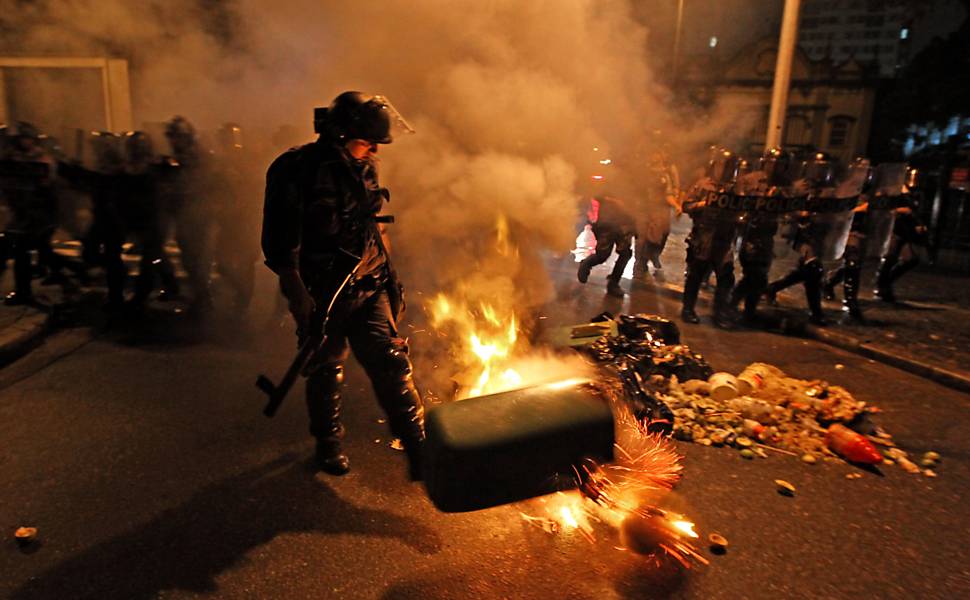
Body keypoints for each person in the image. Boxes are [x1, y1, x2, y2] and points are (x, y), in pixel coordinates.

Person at [261, 91, 424, 478]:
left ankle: (420, 450)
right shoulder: (294, 169)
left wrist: (391, 279)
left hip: (370, 282)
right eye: (366, 142)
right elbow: (281, 246)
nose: (371, 151)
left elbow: (371, 224)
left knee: (392, 363)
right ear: (339, 134)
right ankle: (328, 441)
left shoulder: (365, 164)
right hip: (323, 287)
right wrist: (298, 296)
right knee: (326, 366)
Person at [764, 153, 839, 326]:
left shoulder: (830, 189)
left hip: (820, 233)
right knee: (814, 269)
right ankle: (816, 313)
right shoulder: (799, 187)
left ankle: (773, 288)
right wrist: (800, 214)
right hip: (802, 233)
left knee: (807, 272)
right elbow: (785, 208)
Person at [728, 148, 792, 324]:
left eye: (780, 164)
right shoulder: (751, 180)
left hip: (768, 234)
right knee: (753, 274)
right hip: (751, 232)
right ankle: (732, 304)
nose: (775, 168)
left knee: (761, 276)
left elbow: (789, 209)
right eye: (772, 163)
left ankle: (749, 311)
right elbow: (739, 202)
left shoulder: (785, 184)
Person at [680, 149, 741, 327]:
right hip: (704, 236)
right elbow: (686, 205)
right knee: (696, 275)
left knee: (726, 276)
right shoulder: (702, 185)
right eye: (723, 165)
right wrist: (702, 204)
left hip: (724, 237)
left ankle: (719, 312)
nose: (726, 169)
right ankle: (688, 309)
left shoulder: (736, 188)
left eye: (730, 166)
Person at [874, 166, 927, 303]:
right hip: (894, 228)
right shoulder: (895, 191)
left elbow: (916, 211)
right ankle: (882, 286)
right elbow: (883, 208)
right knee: (890, 258)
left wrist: (919, 223)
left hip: (908, 229)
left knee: (912, 259)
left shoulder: (916, 193)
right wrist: (900, 210)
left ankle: (886, 282)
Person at [577, 192, 636, 298]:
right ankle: (587, 263)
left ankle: (613, 284)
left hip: (625, 223)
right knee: (602, 255)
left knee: (625, 254)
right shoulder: (610, 180)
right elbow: (597, 194)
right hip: (607, 222)